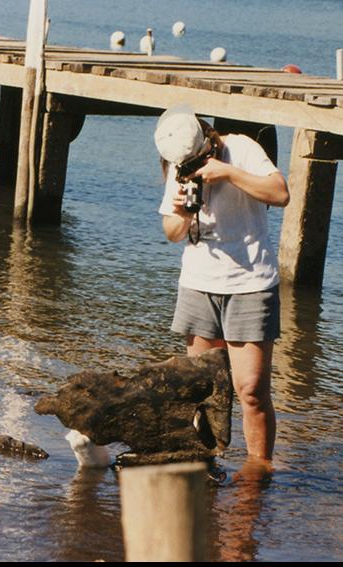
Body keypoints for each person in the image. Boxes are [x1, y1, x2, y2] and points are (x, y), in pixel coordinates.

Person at [154, 104, 289, 463]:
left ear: (206, 137)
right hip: (199, 284)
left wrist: (228, 173)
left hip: (250, 283)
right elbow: (171, 231)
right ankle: (204, 464)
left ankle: (258, 472)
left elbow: (280, 193)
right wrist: (182, 214)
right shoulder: (179, 162)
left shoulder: (242, 149)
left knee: (251, 390)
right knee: (199, 388)